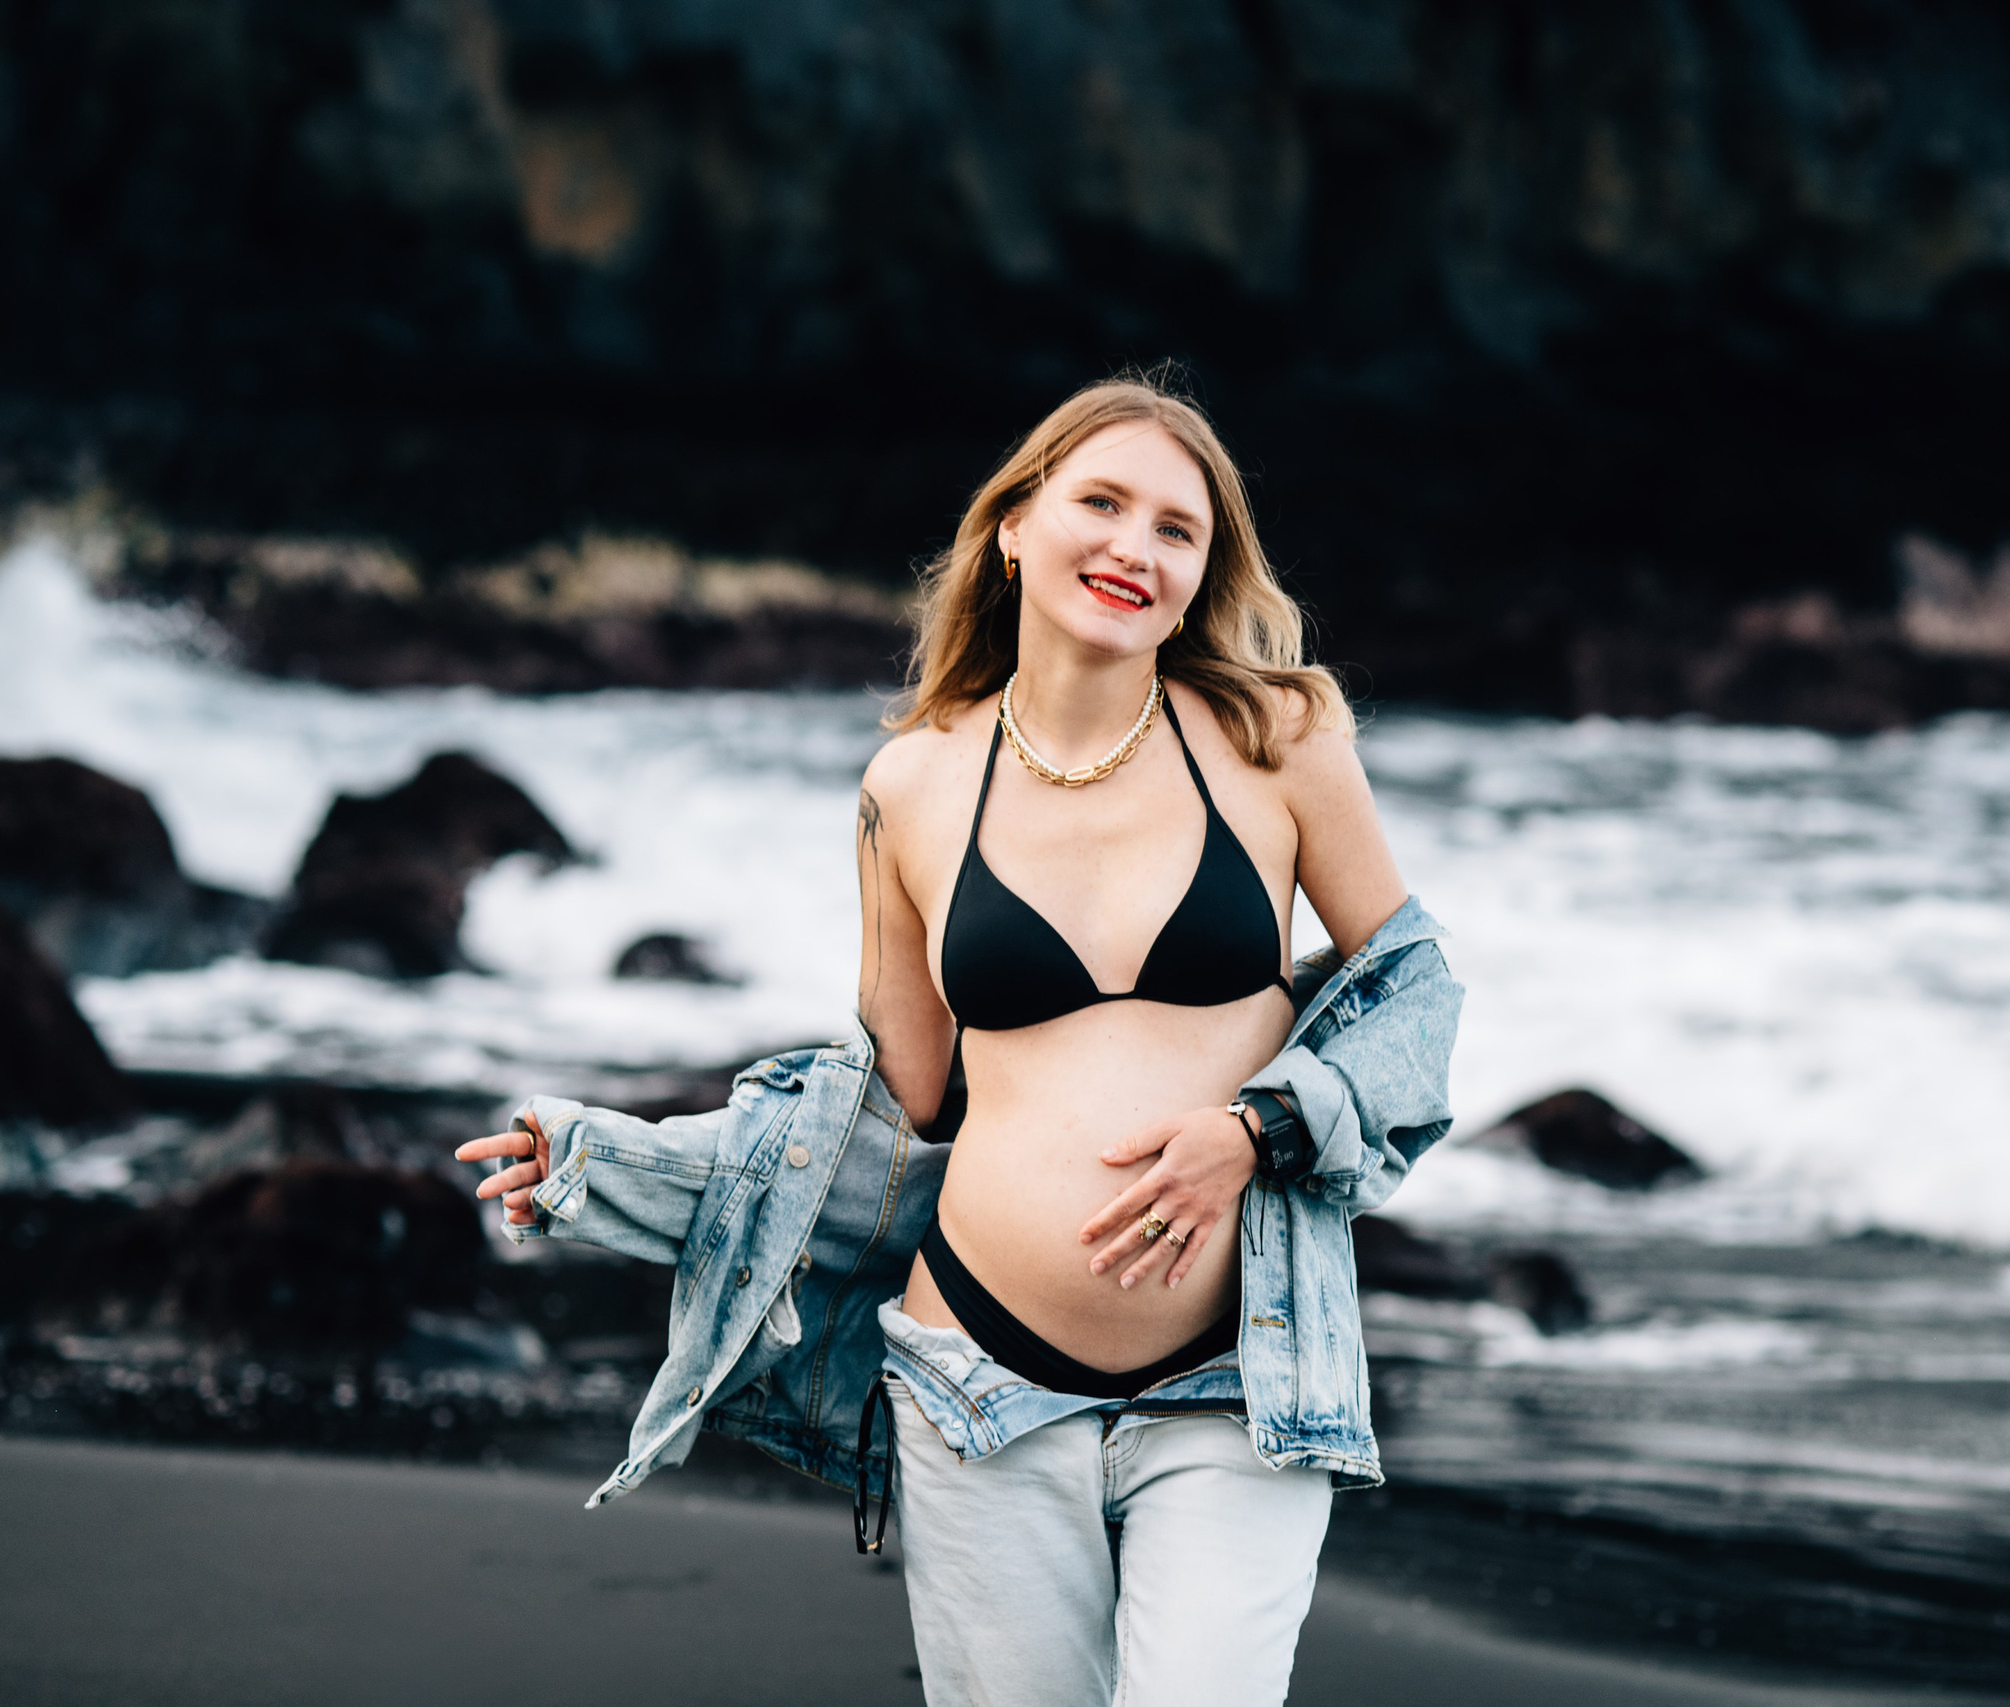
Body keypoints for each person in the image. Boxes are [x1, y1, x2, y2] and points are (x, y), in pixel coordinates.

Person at [458, 375, 1462, 1707]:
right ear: (1014, 526)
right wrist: (616, 1160)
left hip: (1241, 1373)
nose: (1134, 547)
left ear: (1205, 571)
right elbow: (881, 1115)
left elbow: (1416, 995)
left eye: (1178, 528)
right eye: (1100, 502)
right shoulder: (914, 785)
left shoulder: (1279, 739)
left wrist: (1256, 1130)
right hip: (973, 1379)